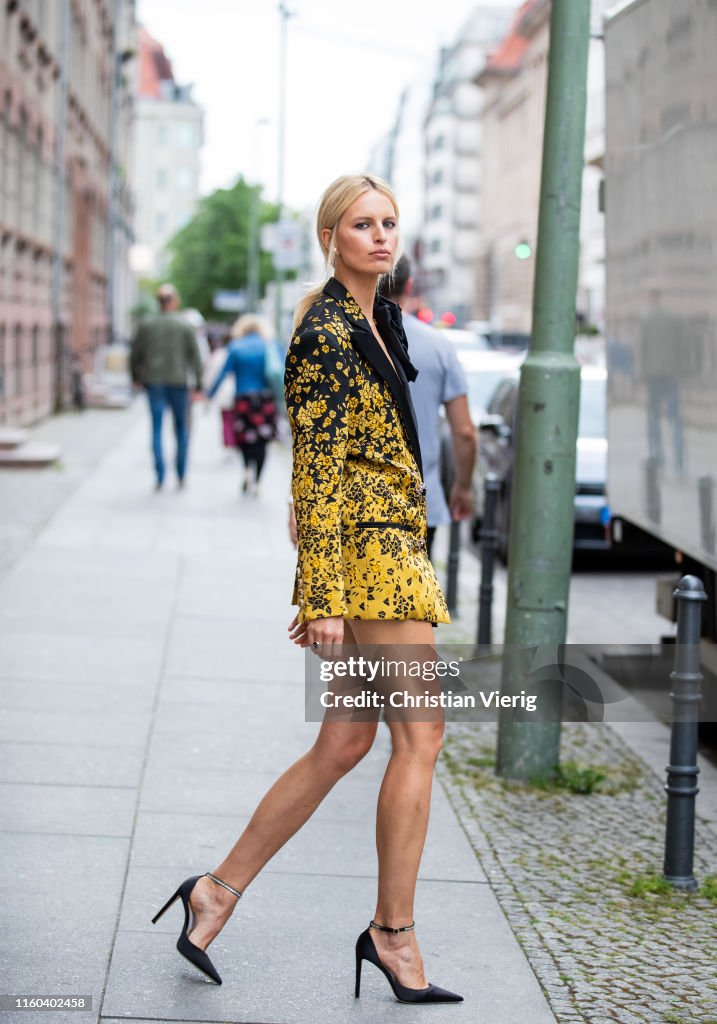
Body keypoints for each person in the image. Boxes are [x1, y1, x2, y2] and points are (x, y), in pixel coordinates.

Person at [150, 175, 463, 1006]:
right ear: (330, 235)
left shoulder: (382, 320)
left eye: (390, 223)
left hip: (389, 543)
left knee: (344, 745)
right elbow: (316, 470)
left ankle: (212, 894)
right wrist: (319, 595)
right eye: (363, 224)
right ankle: (392, 936)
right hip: (370, 559)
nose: (381, 237)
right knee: (421, 738)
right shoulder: (323, 332)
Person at [379, 255, 476, 559]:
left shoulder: (342, 336)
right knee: (413, 599)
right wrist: (463, 486)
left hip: (357, 501)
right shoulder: (438, 345)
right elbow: (464, 432)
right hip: (420, 498)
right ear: (408, 285)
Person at [130, 283, 203, 490]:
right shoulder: (185, 325)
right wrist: (198, 384)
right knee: (181, 429)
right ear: (175, 301)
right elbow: (195, 357)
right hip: (179, 383)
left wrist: (135, 376)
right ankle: (181, 474)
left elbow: (135, 354)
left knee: (156, 428)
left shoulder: (147, 324)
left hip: (154, 383)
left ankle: (160, 476)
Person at [205, 314, 279, 496]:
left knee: (245, 438)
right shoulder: (269, 346)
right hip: (264, 399)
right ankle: (259, 481)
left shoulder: (236, 346)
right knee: (262, 440)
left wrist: (210, 394)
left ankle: (246, 469)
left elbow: (223, 373)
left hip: (243, 399)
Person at [203, 324, 235, 451]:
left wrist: (208, 392)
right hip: (236, 391)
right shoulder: (235, 351)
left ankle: (229, 444)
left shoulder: (218, 354)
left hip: (224, 392)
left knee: (226, 420)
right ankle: (233, 444)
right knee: (233, 420)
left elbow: (210, 374)